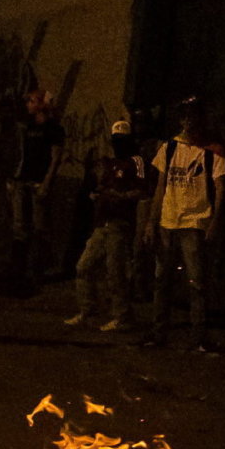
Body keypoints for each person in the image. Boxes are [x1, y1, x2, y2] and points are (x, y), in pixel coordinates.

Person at [142, 98, 225, 351]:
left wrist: (213, 223)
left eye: (193, 116)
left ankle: (198, 337)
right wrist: (152, 221)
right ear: (181, 120)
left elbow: (221, 189)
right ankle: (159, 333)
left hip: (194, 221)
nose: (189, 121)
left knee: (196, 282)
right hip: (168, 222)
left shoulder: (213, 151)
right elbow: (161, 187)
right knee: (162, 280)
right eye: (185, 116)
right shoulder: (170, 148)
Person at [66, 120, 149, 331]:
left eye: (122, 140)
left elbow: (141, 191)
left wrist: (119, 196)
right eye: (115, 140)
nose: (118, 144)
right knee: (84, 266)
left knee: (115, 272)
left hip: (119, 224)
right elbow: (104, 186)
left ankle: (122, 316)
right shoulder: (111, 163)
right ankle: (88, 310)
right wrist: (98, 194)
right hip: (101, 223)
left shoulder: (136, 161)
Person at [11, 89, 64, 289]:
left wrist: (47, 183)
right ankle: (19, 270)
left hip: (38, 182)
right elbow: (23, 153)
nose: (28, 105)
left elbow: (55, 158)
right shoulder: (29, 127)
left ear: (42, 104)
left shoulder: (53, 129)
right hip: (23, 181)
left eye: (32, 101)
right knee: (19, 227)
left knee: (39, 227)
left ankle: (38, 270)